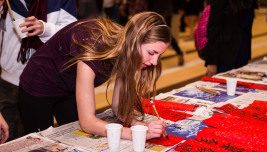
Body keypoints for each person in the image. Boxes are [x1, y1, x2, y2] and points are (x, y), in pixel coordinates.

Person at [19, 12, 171, 140]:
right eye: (152, 53)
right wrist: (134, 135)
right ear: (134, 41)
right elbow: (87, 122)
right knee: (41, 141)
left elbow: (118, 107)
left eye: (159, 55)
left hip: (69, 88)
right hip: (39, 85)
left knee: (75, 139)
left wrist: (137, 125)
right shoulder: (94, 44)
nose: (154, 62)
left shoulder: (132, 55)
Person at [0, 0, 77, 141]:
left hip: (49, 81)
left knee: (48, 139)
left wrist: (45, 28)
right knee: (9, 140)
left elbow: (73, 35)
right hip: (10, 80)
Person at [205, 0, 260, 76]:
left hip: (242, 54)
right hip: (224, 57)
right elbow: (213, 29)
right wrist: (212, 62)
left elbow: (246, 29)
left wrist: (247, 55)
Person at [146, 0, 184, 66]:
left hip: (166, 13)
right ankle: (155, 59)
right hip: (155, 12)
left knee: (167, 37)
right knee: (156, 37)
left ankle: (179, 53)